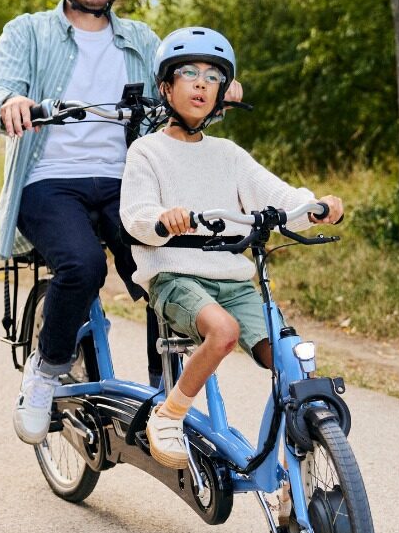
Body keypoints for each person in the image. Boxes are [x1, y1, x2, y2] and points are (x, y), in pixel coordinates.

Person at [0, 0, 240, 445]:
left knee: (167, 261)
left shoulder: (142, 39)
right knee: (82, 264)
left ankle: (167, 389)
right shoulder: (27, 32)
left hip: (128, 182)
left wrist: (220, 85)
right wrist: (11, 102)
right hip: (49, 181)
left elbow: (186, 79)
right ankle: (46, 374)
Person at [119, 26, 343, 469]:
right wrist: (164, 219)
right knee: (222, 332)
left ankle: (290, 471)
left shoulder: (228, 154)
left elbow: (277, 196)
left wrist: (314, 205)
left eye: (212, 75)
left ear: (222, 91)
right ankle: (170, 413)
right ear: (166, 87)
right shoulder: (147, 151)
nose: (201, 83)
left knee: (290, 359)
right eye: (188, 72)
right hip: (176, 276)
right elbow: (137, 214)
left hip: (234, 279)